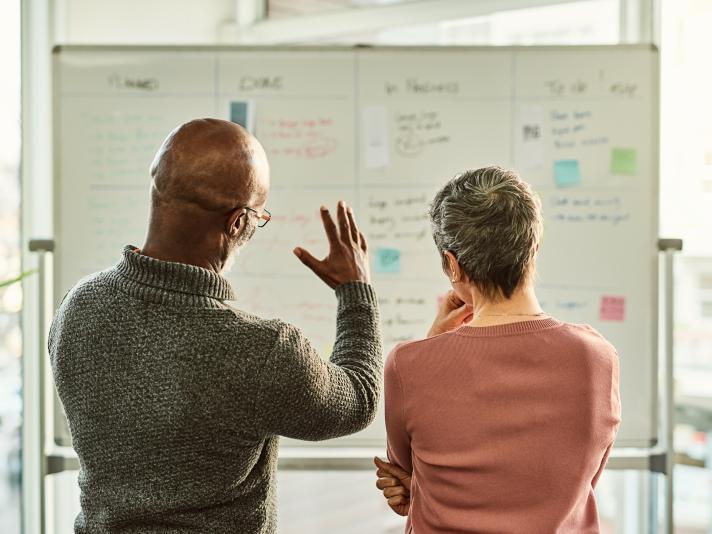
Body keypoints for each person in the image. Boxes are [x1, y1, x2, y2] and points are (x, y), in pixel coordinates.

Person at [49, 118, 383, 533]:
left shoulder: (77, 306)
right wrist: (356, 293)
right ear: (237, 223)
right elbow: (358, 400)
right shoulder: (260, 350)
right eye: (259, 216)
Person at [374, 166, 621, 533]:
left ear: (452, 264)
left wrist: (430, 344)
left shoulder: (407, 365)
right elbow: (575, 485)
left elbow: (406, 481)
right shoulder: (597, 358)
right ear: (533, 246)